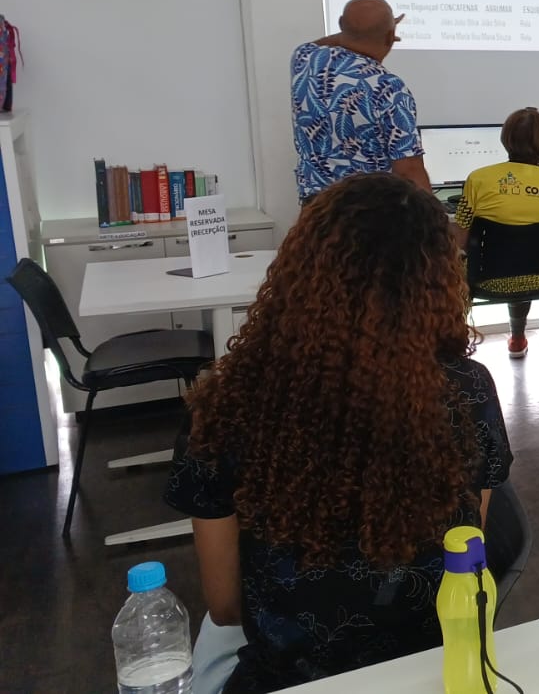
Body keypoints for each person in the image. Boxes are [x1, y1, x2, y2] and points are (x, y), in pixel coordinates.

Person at [170, 173, 512, 694]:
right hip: (436, 668)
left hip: (287, 677)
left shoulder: (225, 403)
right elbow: (465, 553)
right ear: (437, 281)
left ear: (300, 271)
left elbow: (226, 606)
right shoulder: (469, 390)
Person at [455, 107, 539, 359]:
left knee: (454, 264)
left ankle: (453, 344)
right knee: (526, 258)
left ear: (506, 139)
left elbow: (461, 241)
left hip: (487, 279)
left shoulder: (478, 180)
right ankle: (518, 337)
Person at [291, 0, 429, 203]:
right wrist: (435, 218)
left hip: (316, 208)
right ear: (391, 35)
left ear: (340, 25)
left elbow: (317, 43)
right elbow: (408, 169)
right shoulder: (389, 87)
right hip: (367, 211)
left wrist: (356, 31)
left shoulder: (304, 58)